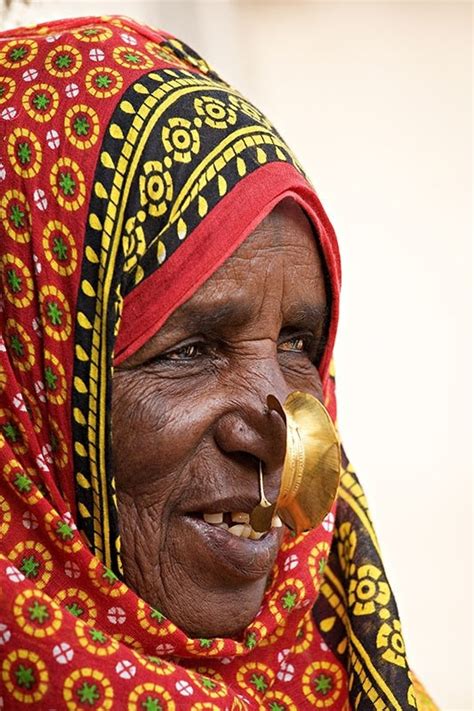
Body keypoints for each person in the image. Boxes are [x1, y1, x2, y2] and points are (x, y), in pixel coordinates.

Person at [0, 15, 437, 710]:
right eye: (190, 350)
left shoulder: (341, 670)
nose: (281, 439)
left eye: (298, 343)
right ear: (27, 384)